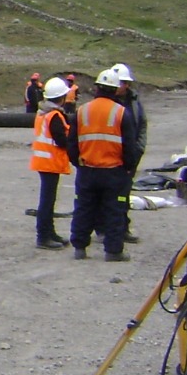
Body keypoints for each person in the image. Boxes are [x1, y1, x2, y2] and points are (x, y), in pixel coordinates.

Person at [67, 69, 143, 262]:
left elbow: (72, 144)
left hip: (87, 170)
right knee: (114, 211)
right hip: (113, 172)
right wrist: (128, 167)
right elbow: (129, 145)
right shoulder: (121, 113)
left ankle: (79, 247)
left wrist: (79, 163)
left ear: (96, 88)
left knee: (83, 209)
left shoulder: (82, 111)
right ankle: (113, 251)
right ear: (115, 89)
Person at [29, 77, 72, 249]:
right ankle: (43, 237)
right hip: (50, 162)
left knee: (48, 199)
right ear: (61, 97)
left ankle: (49, 233)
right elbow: (62, 140)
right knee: (47, 201)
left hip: (43, 162)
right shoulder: (55, 116)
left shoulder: (43, 113)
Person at [110, 63, 147, 244]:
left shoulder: (134, 103)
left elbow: (142, 126)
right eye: (118, 83)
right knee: (106, 196)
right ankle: (105, 229)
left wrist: (138, 150)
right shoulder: (107, 103)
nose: (121, 86)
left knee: (123, 195)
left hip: (129, 157)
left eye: (123, 83)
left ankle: (123, 228)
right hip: (110, 157)